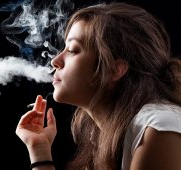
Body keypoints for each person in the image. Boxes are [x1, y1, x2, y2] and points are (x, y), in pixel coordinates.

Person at [15, 2, 181, 170]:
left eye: (72, 50)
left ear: (114, 70)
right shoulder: (103, 133)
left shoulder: (159, 128)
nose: (55, 61)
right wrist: (39, 150)